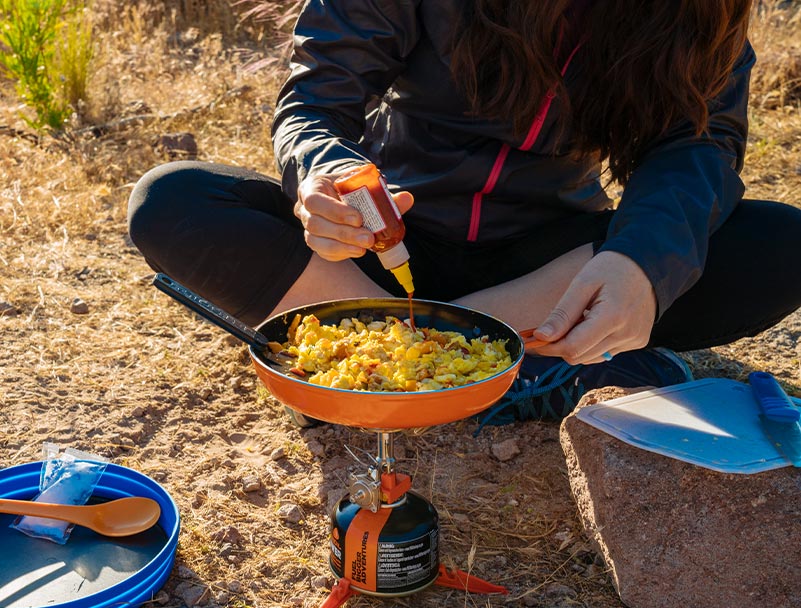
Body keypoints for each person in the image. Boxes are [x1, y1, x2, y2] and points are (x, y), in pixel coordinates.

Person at [128, 0, 801, 426]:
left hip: (551, 263)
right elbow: (313, 103)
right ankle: (462, 356)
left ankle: (412, 362)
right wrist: (324, 173)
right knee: (173, 198)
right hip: (383, 243)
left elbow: (699, 145)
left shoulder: (700, 13)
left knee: (779, 244)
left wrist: (639, 263)